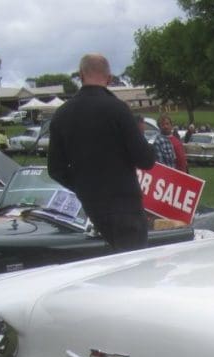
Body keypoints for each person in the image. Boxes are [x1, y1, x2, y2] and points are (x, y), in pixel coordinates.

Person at [48, 53, 155, 251]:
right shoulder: (118, 109)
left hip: (91, 208)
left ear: (81, 75)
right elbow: (145, 160)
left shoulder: (62, 114)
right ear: (109, 78)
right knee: (134, 271)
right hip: (125, 208)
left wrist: (83, 186)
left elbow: (55, 169)